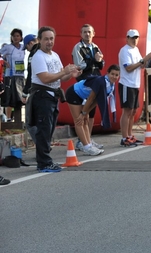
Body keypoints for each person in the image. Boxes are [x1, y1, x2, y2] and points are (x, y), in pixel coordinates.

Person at [29, 26, 80, 172]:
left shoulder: (55, 55)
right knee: (44, 130)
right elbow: (45, 78)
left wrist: (71, 74)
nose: (49, 42)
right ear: (39, 40)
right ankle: (44, 162)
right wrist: (63, 72)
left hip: (53, 95)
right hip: (42, 95)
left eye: (51, 39)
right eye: (46, 39)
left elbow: (61, 76)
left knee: (49, 129)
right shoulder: (38, 56)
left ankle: (45, 159)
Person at [65, 65, 120, 155]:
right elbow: (91, 98)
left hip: (82, 96)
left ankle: (89, 144)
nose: (114, 77)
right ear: (107, 73)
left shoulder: (111, 85)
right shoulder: (101, 82)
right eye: (112, 74)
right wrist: (83, 113)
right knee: (79, 121)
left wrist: (86, 112)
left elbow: (96, 101)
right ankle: (86, 146)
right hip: (73, 93)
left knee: (86, 120)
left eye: (116, 75)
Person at [72, 24, 105, 151]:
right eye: (84, 32)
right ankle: (82, 141)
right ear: (81, 34)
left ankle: (88, 138)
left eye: (89, 32)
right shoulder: (78, 47)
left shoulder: (96, 47)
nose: (87, 34)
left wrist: (99, 60)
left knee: (91, 113)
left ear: (93, 33)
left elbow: (101, 64)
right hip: (84, 83)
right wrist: (94, 60)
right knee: (83, 112)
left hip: (96, 81)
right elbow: (79, 65)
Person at [118, 29, 151, 147]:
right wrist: (143, 60)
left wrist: (146, 60)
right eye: (132, 37)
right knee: (127, 111)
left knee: (133, 111)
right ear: (127, 38)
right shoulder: (124, 51)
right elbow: (128, 68)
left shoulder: (136, 50)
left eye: (136, 38)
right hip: (126, 83)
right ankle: (124, 138)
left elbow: (141, 65)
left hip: (135, 83)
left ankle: (129, 135)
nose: (134, 40)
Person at [0, 28, 25, 122]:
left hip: (21, 75)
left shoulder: (23, 47)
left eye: (18, 36)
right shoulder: (8, 47)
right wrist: (4, 62)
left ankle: (18, 120)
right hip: (10, 75)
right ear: (11, 37)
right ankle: (9, 119)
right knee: (9, 97)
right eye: (14, 36)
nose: (16, 37)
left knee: (20, 98)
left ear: (21, 37)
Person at [22, 34, 39, 144]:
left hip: (35, 91)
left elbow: (30, 75)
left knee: (30, 122)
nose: (27, 51)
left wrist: (24, 93)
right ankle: (45, 145)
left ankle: (40, 146)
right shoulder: (48, 52)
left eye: (26, 47)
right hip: (50, 91)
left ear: (30, 43)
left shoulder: (33, 54)